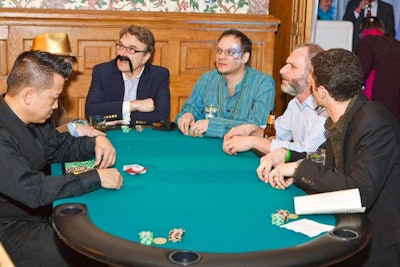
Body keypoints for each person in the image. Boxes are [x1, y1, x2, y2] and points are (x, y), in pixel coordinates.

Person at [256, 48, 400, 267]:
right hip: (359, 229)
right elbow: (321, 156)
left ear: (321, 91)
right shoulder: (346, 115)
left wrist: (297, 170)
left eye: (312, 82)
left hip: (381, 240)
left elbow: (359, 193)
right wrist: (286, 155)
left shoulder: (374, 122)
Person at [0, 50, 123, 266]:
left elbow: (58, 147)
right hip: (10, 229)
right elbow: (32, 189)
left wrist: (94, 143)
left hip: (39, 214)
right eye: (54, 98)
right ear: (29, 95)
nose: (56, 106)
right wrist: (95, 177)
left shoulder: (38, 119)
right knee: (90, 256)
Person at [223, 44, 328, 156]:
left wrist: (253, 141)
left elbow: (309, 151)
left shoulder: (326, 109)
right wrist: (250, 130)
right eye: (286, 64)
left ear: (311, 75)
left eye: (292, 66)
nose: (282, 70)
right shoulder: (295, 104)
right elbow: (276, 132)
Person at [176, 29, 275, 138]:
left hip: (244, 150)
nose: (221, 57)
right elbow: (190, 109)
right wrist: (187, 115)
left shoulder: (263, 84)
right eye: (219, 51)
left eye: (230, 52)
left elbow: (256, 127)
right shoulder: (207, 79)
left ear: (244, 57)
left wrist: (213, 126)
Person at [85, 25, 170, 126]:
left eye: (131, 49)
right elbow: (92, 112)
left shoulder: (159, 75)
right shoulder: (103, 72)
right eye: (121, 46)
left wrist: (121, 119)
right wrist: (133, 105)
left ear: (145, 57)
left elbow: (161, 116)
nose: (122, 53)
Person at [32, 32, 105, 137]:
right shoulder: (34, 92)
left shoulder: (53, 89)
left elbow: (62, 119)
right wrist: (73, 128)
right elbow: (40, 139)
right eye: (62, 66)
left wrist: (80, 123)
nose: (67, 74)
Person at [356, 17, 400, 122]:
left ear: (362, 31)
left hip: (380, 101)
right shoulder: (395, 42)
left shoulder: (366, 43)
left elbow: (359, 73)